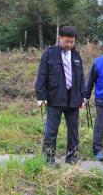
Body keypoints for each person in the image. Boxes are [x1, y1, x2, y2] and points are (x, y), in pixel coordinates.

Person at [35, 26, 85, 168]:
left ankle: (72, 157)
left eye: (72, 42)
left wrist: (82, 96)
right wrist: (41, 96)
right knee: (51, 130)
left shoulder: (76, 55)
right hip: (54, 97)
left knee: (74, 130)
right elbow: (42, 76)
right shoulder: (49, 54)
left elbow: (81, 77)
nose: (69, 45)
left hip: (73, 98)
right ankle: (48, 159)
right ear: (60, 38)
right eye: (67, 41)